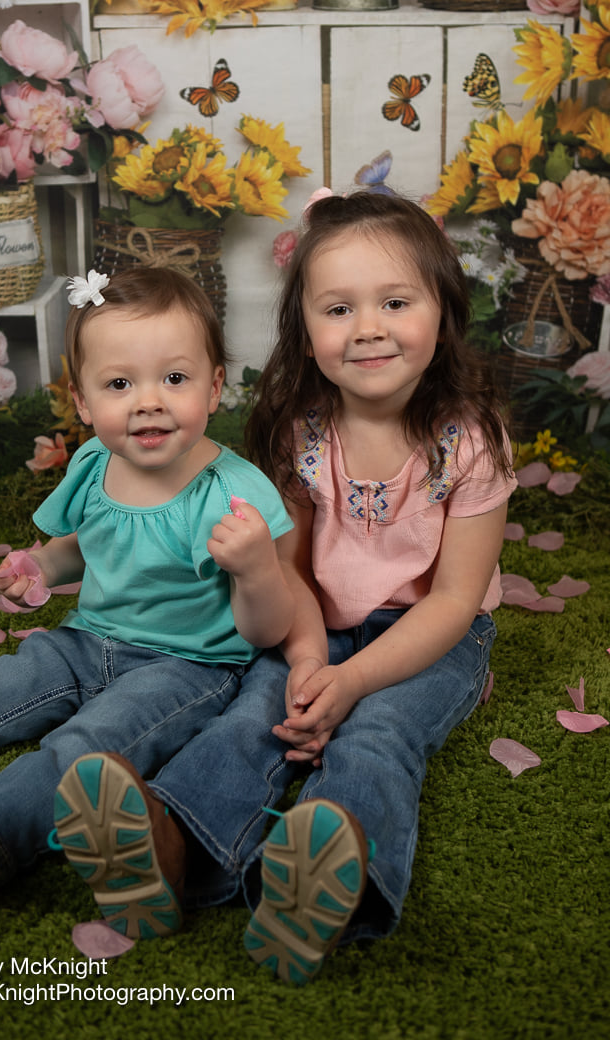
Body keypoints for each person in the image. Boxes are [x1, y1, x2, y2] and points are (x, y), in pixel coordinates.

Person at [51, 191, 517, 983]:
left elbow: (451, 598)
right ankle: (172, 851)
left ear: (443, 311)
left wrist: (353, 679)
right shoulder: (306, 430)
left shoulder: (469, 441)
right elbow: (291, 570)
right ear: (305, 328)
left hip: (436, 635)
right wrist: (307, 660)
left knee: (379, 735)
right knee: (256, 715)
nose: (367, 327)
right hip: (318, 622)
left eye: (396, 302)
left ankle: (326, 882)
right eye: (339, 309)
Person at [0, 266, 296, 926]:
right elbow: (85, 546)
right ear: (84, 402)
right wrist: (40, 568)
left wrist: (258, 569)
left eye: (174, 379)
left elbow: (268, 632)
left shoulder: (236, 495)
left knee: (89, 743)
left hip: (186, 668)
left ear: (214, 388)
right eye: (120, 384)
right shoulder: (96, 464)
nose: (148, 401)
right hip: (85, 641)